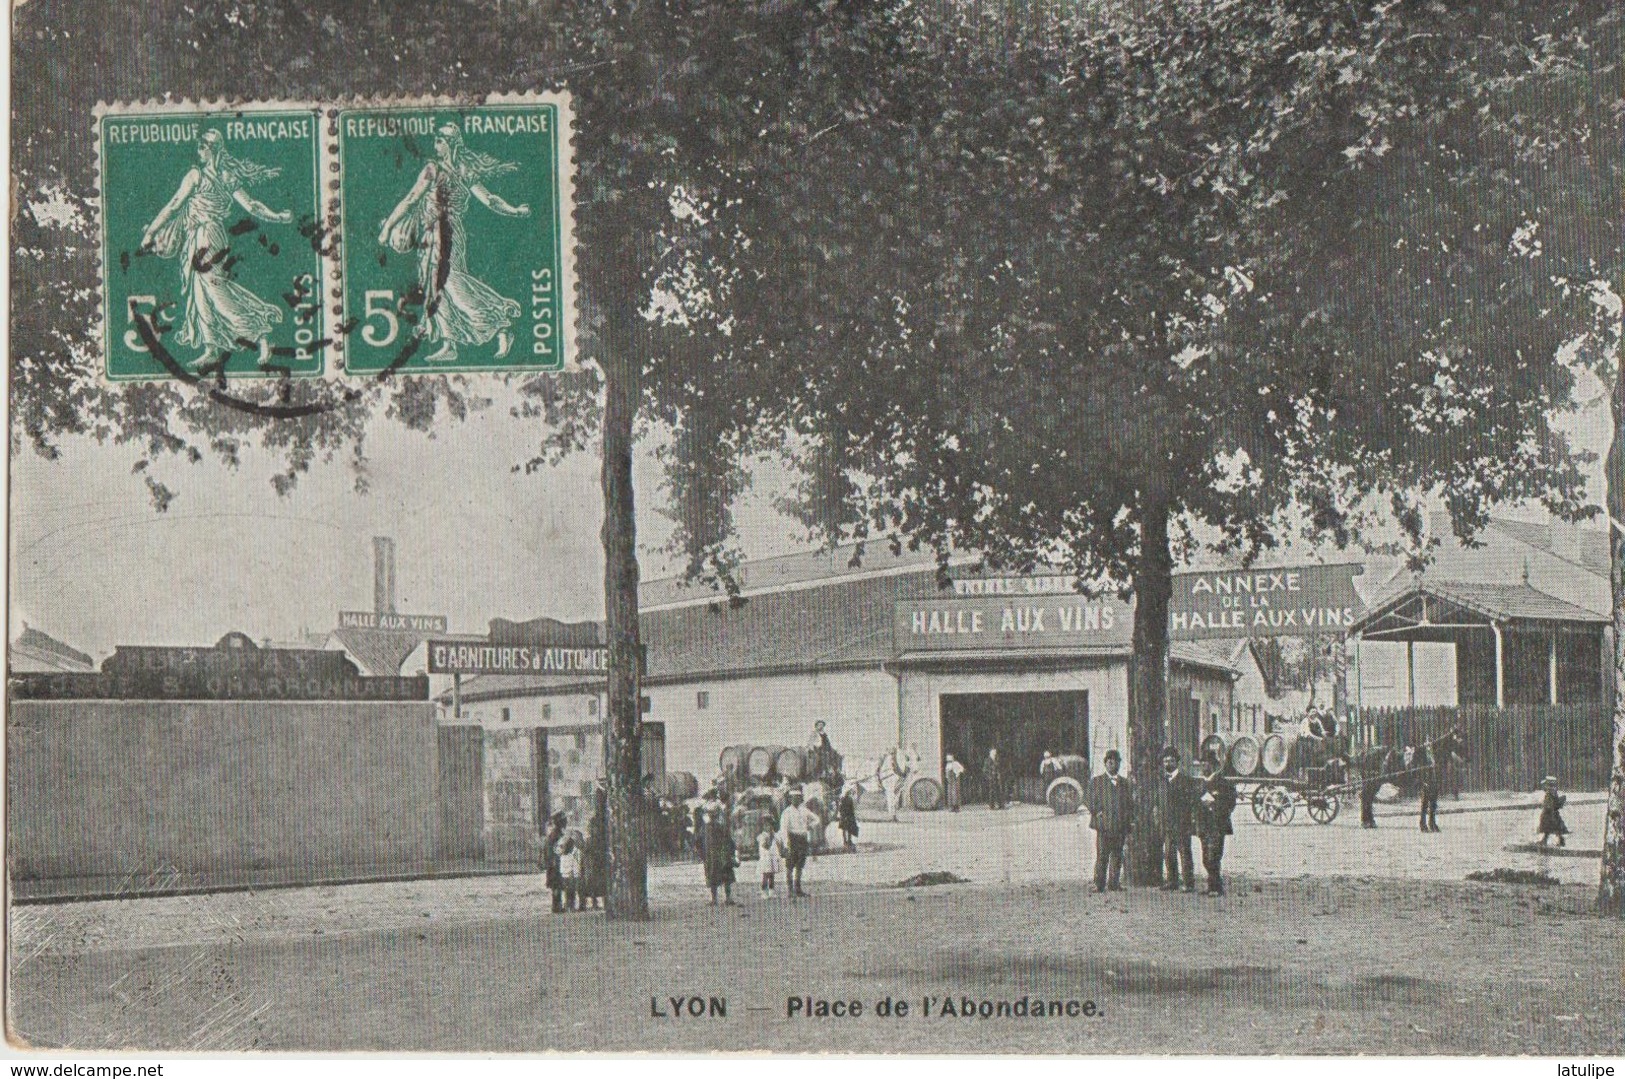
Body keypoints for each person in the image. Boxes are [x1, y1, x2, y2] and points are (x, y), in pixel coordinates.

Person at [140, 129, 294, 368]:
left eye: (202, 147)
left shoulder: (199, 175)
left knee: (214, 290)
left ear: (212, 149)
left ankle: (260, 335)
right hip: (199, 236)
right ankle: (211, 347)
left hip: (207, 237)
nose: (198, 151)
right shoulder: (223, 175)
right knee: (199, 292)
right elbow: (252, 206)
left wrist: (151, 231)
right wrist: (278, 217)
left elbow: (174, 205)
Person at [377, 124, 530, 363]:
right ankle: (450, 344)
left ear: (451, 144)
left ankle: (500, 321)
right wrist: (388, 228)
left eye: (440, 140)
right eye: (435, 139)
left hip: (446, 233)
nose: (435, 144)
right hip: (430, 233)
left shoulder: (449, 170)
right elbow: (411, 200)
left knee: (450, 281)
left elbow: (489, 199)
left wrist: (514, 210)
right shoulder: (441, 169)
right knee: (437, 287)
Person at [1084, 749, 1134, 893]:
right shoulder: (1097, 781)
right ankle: (1099, 884)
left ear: (1119, 764)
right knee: (1102, 855)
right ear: (1105, 764)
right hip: (1104, 825)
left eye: (1115, 761)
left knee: (1117, 855)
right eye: (1109, 761)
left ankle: (1114, 883)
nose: (1112, 764)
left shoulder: (1125, 783)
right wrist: (1096, 810)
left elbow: (1130, 803)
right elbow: (1087, 799)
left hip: (1119, 825)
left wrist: (1129, 821)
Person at [1152, 746, 1198, 892]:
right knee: (1168, 853)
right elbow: (1158, 802)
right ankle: (1172, 881)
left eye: (1171, 760)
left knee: (1184, 853)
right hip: (1166, 824)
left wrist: (1189, 821)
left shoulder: (1186, 781)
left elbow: (1191, 803)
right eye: (1165, 761)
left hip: (1181, 824)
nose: (1168, 764)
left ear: (1177, 762)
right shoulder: (1161, 781)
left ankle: (1188, 882)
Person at [1195, 752, 1238, 896]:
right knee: (1205, 856)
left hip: (1217, 824)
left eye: (1205, 764)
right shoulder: (1200, 783)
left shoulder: (1223, 782)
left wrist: (1215, 805)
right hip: (1204, 824)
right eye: (1201, 764)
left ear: (1213, 765)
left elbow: (1231, 802)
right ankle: (1211, 885)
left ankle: (1216, 887)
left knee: (1214, 856)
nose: (1203, 767)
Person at [778, 787, 820, 897]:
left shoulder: (804, 810)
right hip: (793, 838)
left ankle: (798, 888)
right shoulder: (786, 812)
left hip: (802, 838)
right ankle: (790, 890)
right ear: (790, 799)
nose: (796, 800)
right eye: (793, 798)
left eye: (798, 798)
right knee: (790, 865)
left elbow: (816, 819)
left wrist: (810, 826)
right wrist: (786, 843)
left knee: (800, 865)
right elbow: (784, 829)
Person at [700, 805, 738, 906]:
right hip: (719, 855)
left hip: (714, 856)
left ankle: (717, 899)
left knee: (716, 877)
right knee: (724, 877)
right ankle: (725, 898)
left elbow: (698, 842)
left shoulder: (707, 828)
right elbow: (730, 841)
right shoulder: (716, 827)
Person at [580, 784, 608, 911]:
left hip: (596, 854)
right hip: (597, 854)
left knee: (596, 879)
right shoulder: (600, 820)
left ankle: (596, 901)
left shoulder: (599, 821)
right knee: (597, 879)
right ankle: (596, 901)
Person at [1359, 746, 1395, 829]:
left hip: (1373, 775)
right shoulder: (1371, 759)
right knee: (1367, 797)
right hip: (1371, 776)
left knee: (1369, 797)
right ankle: (1365, 820)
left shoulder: (1374, 758)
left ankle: (1369, 819)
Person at [542, 812, 568, 914]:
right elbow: (552, 851)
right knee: (556, 885)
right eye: (564, 821)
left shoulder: (555, 834)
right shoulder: (556, 835)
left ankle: (557, 905)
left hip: (555, 864)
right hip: (555, 864)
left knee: (557, 885)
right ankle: (556, 906)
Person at [1537, 776, 1569, 848]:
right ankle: (1560, 841)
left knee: (1548, 828)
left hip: (1549, 813)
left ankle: (1545, 841)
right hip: (1552, 813)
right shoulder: (1553, 792)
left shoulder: (1549, 793)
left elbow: (1549, 804)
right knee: (1555, 828)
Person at [1418, 742, 1441, 833]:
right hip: (1427, 782)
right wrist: (1424, 781)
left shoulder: (1434, 756)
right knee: (1425, 804)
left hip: (1433, 781)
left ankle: (1432, 823)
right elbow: (1422, 770)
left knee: (1433, 804)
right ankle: (1423, 824)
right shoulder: (1424, 757)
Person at [558, 829, 583, 912]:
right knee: (572, 893)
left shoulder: (562, 857)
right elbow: (575, 867)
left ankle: (566, 906)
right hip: (571, 877)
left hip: (563, 877)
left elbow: (561, 868)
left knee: (566, 893)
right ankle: (572, 907)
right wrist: (577, 875)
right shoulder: (571, 857)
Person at [757, 824, 784, 897]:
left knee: (772, 875)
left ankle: (771, 892)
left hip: (773, 856)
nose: (769, 827)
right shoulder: (762, 836)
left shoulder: (775, 835)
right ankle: (764, 892)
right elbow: (766, 846)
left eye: (770, 825)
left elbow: (779, 845)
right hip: (766, 858)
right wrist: (770, 837)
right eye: (767, 825)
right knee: (766, 875)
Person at [837, 784, 860, 851]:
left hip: (844, 816)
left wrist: (841, 814)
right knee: (848, 829)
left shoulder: (842, 799)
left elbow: (840, 808)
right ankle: (848, 841)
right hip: (848, 816)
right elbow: (852, 809)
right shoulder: (849, 799)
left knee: (845, 829)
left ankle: (846, 841)